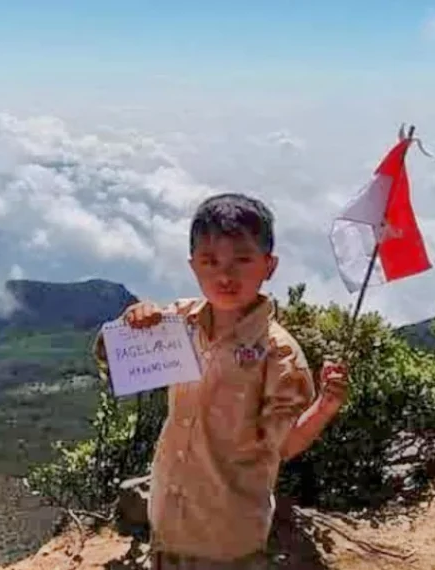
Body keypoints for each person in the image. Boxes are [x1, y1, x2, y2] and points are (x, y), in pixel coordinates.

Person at [95, 193, 348, 569]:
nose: (225, 276)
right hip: (167, 519)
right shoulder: (179, 322)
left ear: (269, 265)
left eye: (242, 260)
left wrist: (325, 407)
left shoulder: (278, 352)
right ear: (193, 265)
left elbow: (285, 444)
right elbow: (111, 362)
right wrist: (131, 322)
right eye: (210, 262)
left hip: (228, 534)